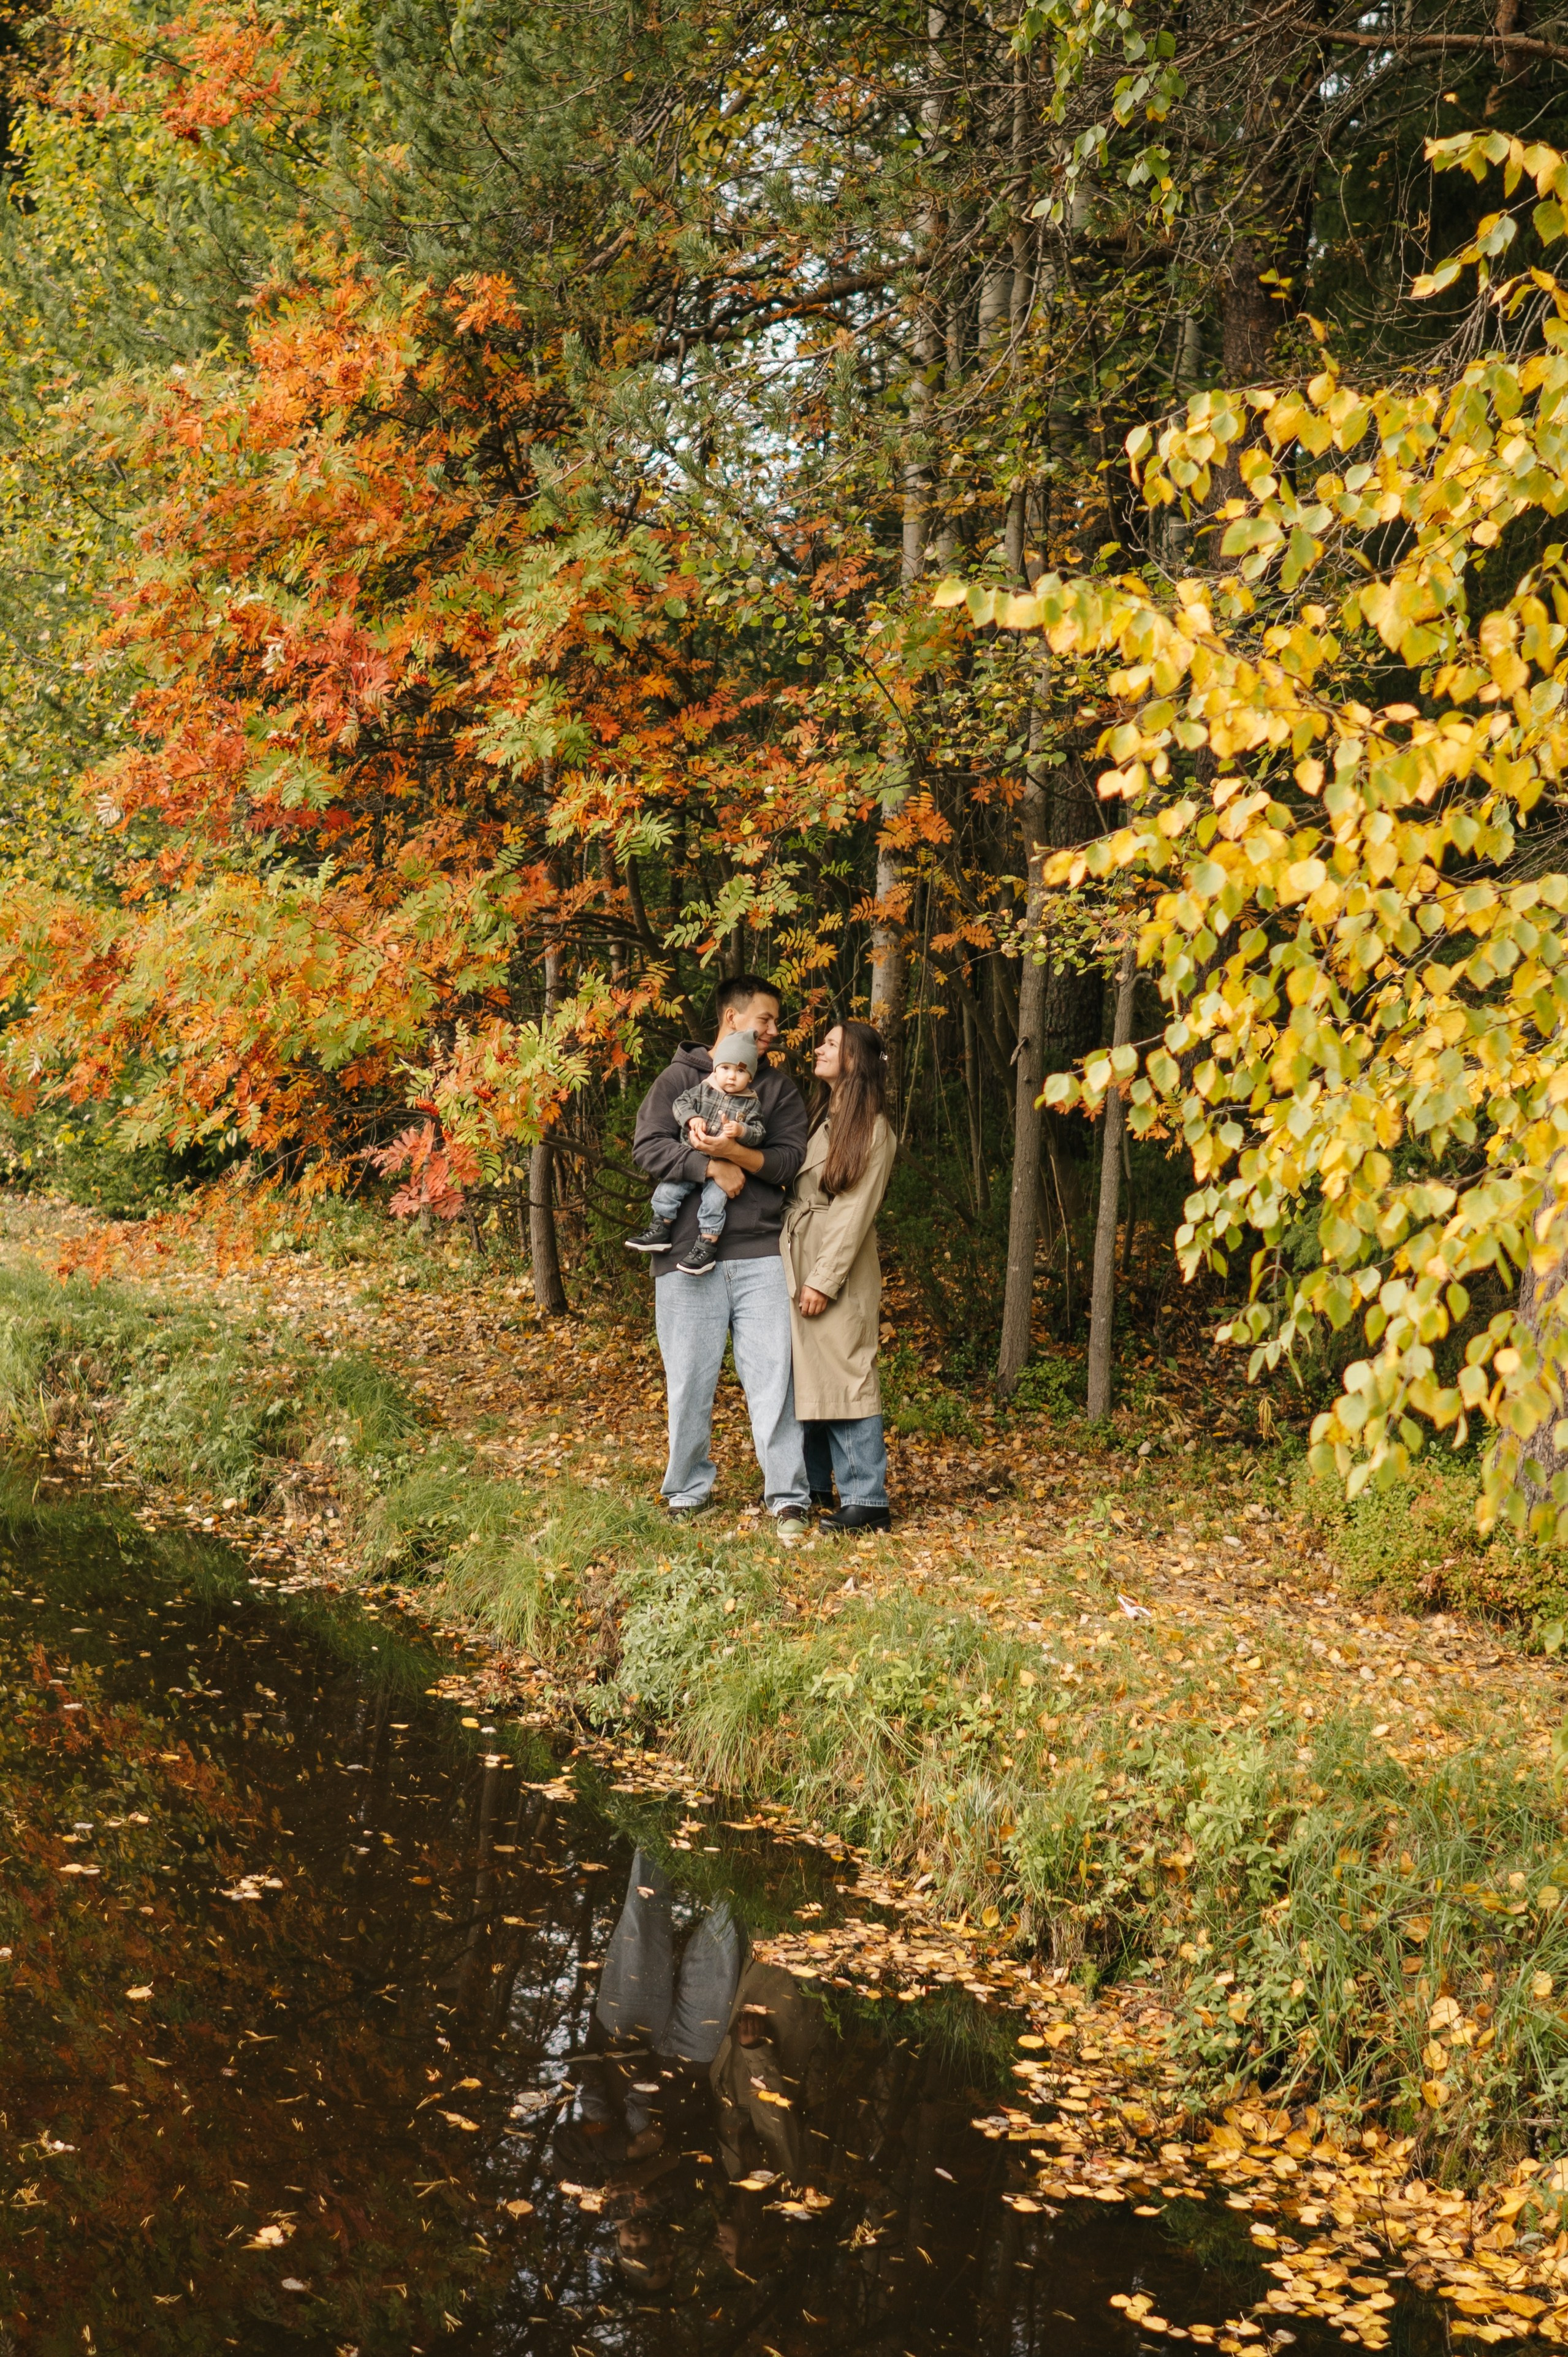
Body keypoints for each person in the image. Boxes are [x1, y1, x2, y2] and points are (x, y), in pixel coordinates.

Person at [631, 976, 813, 1540]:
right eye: (766, 1019)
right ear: (733, 1019)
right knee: (687, 1380)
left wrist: (737, 1151)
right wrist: (711, 1166)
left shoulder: (777, 1089)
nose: (774, 1031)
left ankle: (788, 1497)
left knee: (773, 1382)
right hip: (686, 1259)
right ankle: (687, 1490)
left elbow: (789, 1161)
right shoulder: (678, 1080)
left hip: (760, 1254)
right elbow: (648, 1147)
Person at [780, 1021, 897, 1533]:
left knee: (846, 1372)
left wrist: (823, 1279)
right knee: (807, 1373)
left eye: (831, 1043)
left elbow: (854, 1213)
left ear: (854, 1059)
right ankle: (816, 1484)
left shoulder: (873, 1128)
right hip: (797, 1253)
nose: (819, 1048)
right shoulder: (819, 1117)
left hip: (835, 1262)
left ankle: (867, 1498)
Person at [626, 1030, 767, 1276]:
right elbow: (680, 1104)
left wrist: (742, 1131)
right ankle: (661, 1227)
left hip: (725, 1165)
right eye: (725, 1068)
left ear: (751, 1078)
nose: (731, 1076)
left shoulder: (751, 1104)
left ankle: (707, 1245)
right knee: (669, 1189)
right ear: (715, 1069)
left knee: (714, 1203)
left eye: (741, 1071)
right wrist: (692, 1119)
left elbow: (758, 1133)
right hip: (693, 1158)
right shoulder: (702, 1091)